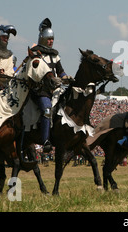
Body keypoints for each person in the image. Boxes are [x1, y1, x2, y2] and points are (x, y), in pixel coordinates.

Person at [30, 18, 72, 153]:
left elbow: (61, 71)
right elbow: (35, 73)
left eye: (52, 39)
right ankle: (45, 140)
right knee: (47, 111)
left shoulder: (55, 55)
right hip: (42, 90)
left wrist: (66, 78)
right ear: (42, 39)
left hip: (56, 89)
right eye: (48, 39)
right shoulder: (36, 54)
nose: (51, 41)